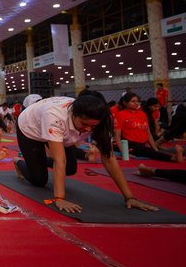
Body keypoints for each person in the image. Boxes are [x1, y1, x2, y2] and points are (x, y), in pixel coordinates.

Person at [13, 90, 157, 213]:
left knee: (70, 168)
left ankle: (36, 162)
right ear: (73, 115)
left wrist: (129, 197)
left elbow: (109, 158)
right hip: (30, 127)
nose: (88, 130)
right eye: (84, 124)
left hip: (59, 132)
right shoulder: (55, 116)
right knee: (39, 180)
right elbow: (59, 159)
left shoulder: (102, 120)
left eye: (92, 126)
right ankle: (19, 163)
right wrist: (59, 199)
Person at [113, 92, 182, 163]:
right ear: (125, 103)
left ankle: (171, 156)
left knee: (151, 150)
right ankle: (172, 158)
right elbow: (117, 135)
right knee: (147, 151)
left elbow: (148, 133)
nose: (136, 103)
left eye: (137, 101)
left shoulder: (142, 114)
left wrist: (155, 148)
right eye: (133, 101)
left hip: (142, 144)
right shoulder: (120, 115)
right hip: (129, 144)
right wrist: (124, 153)